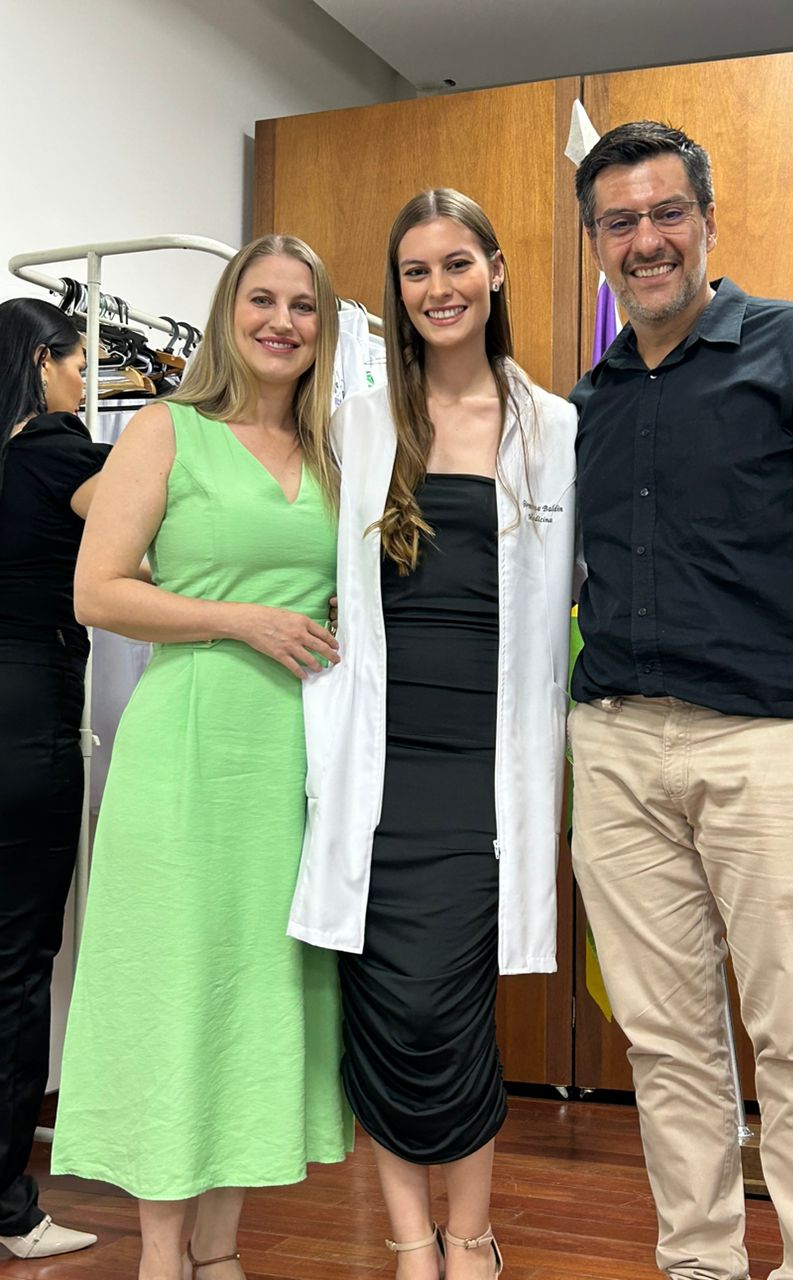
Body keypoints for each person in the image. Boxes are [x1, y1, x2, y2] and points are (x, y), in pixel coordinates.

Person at [567, 121, 793, 1280]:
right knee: (666, 1041)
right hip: (618, 750)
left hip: (775, 747)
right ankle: (701, 1263)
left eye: (666, 212)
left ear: (707, 221)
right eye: (620, 221)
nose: (646, 240)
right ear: (596, 243)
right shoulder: (589, 399)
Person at [51, 235, 353, 1280]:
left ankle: (219, 1253)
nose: (281, 322)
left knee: (253, 990)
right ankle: (161, 1254)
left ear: (323, 328)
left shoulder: (334, 453)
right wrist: (239, 619)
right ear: (229, 314)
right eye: (261, 300)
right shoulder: (165, 429)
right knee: (178, 988)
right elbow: (97, 591)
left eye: (302, 306)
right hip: (185, 751)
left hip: (293, 760)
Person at [288, 189, 577, 1280]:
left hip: (485, 767)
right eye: (416, 270)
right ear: (397, 290)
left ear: (495, 271)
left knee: (447, 1007)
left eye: (458, 263)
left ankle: (472, 1233)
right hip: (378, 761)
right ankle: (414, 1241)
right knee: (381, 1003)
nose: (438, 288)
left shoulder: (557, 428)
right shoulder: (356, 426)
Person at [0, 299, 105, 1261]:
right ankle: (9, 1208)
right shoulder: (58, 452)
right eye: (78, 365)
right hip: (26, 721)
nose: (86, 380)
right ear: (42, 362)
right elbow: (139, 536)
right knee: (18, 965)